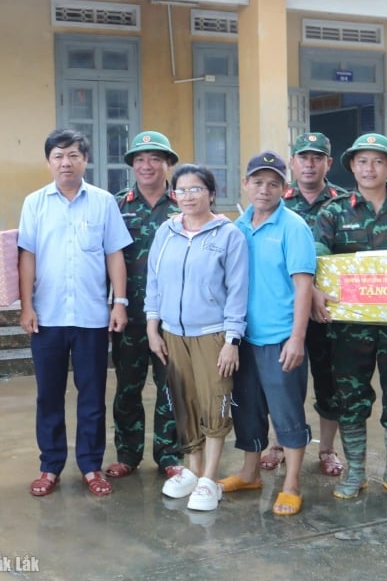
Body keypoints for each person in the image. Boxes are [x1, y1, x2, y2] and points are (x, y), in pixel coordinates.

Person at [314, 133, 387, 503]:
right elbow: (316, 261)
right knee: (351, 399)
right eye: (362, 161)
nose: (370, 168)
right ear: (351, 165)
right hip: (350, 329)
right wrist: (315, 290)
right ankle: (355, 473)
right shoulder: (333, 212)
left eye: (378, 161)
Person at [18, 129, 132, 498]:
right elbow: (27, 257)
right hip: (47, 318)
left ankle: (90, 465)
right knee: (48, 396)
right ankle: (49, 466)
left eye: (73, 155)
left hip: (91, 319)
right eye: (58, 156)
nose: (65, 162)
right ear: (49, 161)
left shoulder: (102, 202)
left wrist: (119, 302)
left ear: (85, 159)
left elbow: (115, 253)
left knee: (91, 395)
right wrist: (26, 306)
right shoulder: (34, 203)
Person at [216, 152, 315, 516]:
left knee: (287, 411)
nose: (265, 189)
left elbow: (304, 286)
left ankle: (291, 484)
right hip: (243, 337)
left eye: (274, 183)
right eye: (258, 182)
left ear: (284, 189)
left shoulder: (293, 228)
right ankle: (250, 472)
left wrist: (297, 338)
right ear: (245, 184)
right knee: (248, 410)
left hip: (279, 339)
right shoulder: (236, 227)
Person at [145, 164, 248, 511]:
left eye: (196, 189)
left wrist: (232, 340)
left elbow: (237, 290)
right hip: (173, 333)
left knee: (215, 400)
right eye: (182, 190)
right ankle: (193, 470)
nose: (188, 197)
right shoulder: (166, 232)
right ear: (174, 195)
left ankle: (209, 479)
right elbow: (154, 282)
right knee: (184, 400)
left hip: (213, 333)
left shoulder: (228, 235)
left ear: (212, 194)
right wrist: (152, 327)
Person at [259, 133, 347, 476]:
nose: (309, 163)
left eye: (317, 157)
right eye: (303, 157)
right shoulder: (276, 202)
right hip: (283, 311)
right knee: (281, 380)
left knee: (330, 382)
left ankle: (327, 449)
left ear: (329, 162)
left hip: (329, 313)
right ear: (292, 163)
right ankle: (278, 444)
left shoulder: (345, 203)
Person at [106, 131, 182, 481]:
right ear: (132, 165)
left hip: (175, 317)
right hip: (130, 315)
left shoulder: (185, 203)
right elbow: (105, 258)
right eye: (140, 159)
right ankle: (127, 453)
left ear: (168, 164)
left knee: (172, 387)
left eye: (155, 158)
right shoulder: (116, 206)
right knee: (128, 388)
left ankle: (170, 453)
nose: (147, 165)